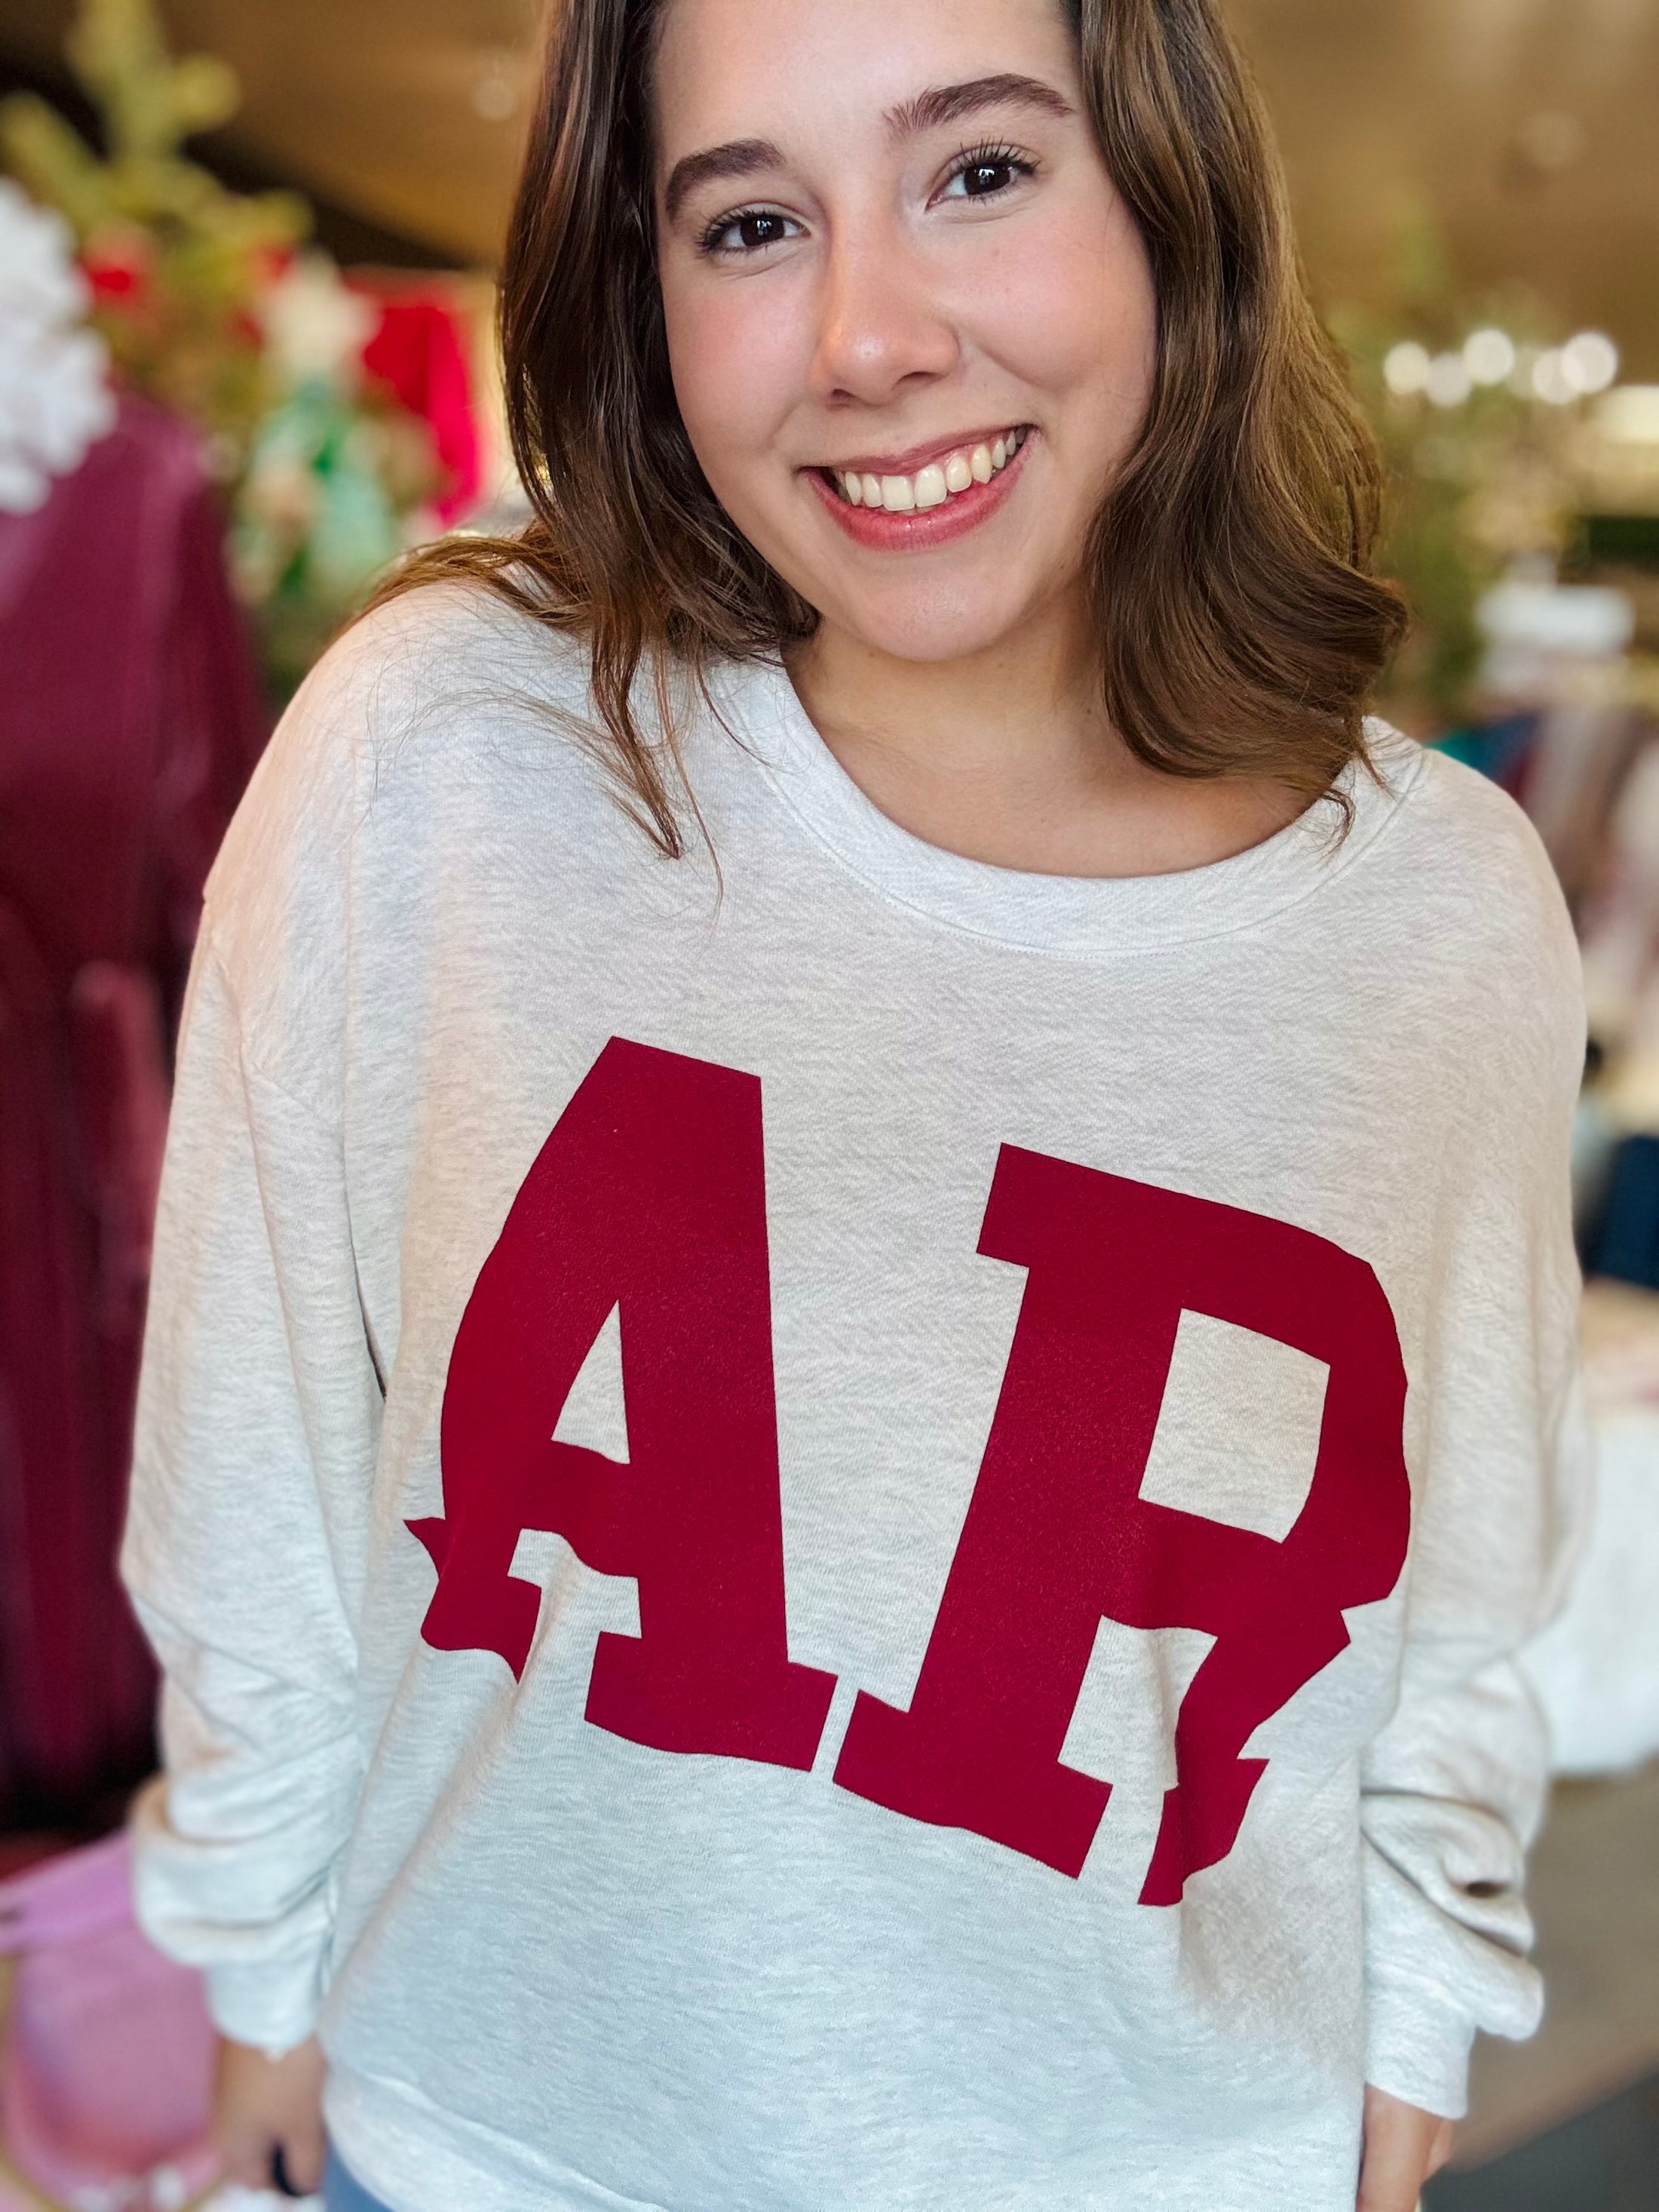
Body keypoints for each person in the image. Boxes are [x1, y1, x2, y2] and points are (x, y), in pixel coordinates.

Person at [120, 0, 1588, 2207]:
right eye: (748, 222)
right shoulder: (448, 760)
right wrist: (250, 1978)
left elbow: (1456, 1602)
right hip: (502, 2155)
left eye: (979, 171)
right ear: (646, 287)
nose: (864, 336)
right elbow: (261, 1458)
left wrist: (1407, 2056)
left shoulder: (1438, 912)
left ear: (1173, 206)